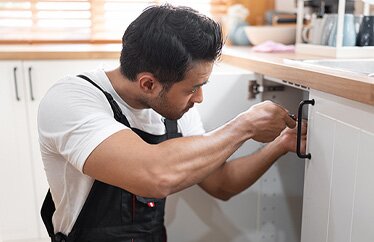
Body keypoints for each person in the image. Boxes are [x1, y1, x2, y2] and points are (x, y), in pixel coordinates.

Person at [37, 4, 306, 242]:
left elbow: (221, 183)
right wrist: (244, 125)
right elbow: (154, 175)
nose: (199, 98)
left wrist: (281, 144)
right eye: (192, 89)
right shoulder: (71, 99)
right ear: (148, 84)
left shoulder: (174, 106)